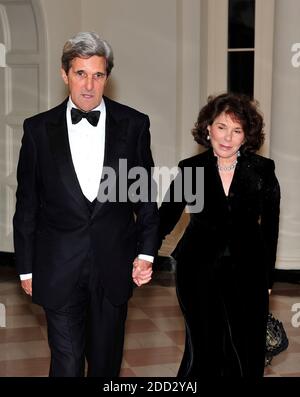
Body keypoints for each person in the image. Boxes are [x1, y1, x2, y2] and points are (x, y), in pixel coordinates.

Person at [13, 32, 159, 377]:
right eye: (81, 73)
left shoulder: (134, 124)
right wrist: (25, 266)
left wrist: (147, 252)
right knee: (66, 362)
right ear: (65, 74)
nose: (89, 85)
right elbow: (27, 203)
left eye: (98, 75)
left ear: (108, 76)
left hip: (114, 263)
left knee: (106, 364)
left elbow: (145, 195)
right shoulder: (37, 130)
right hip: (57, 264)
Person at [159, 93, 280, 377]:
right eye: (222, 127)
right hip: (198, 271)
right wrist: (142, 254)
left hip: (248, 271)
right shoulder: (192, 169)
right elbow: (166, 216)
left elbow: (270, 228)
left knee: (246, 348)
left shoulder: (262, 170)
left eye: (237, 130)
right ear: (208, 128)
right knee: (205, 348)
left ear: (246, 136)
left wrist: (267, 278)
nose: (227, 137)